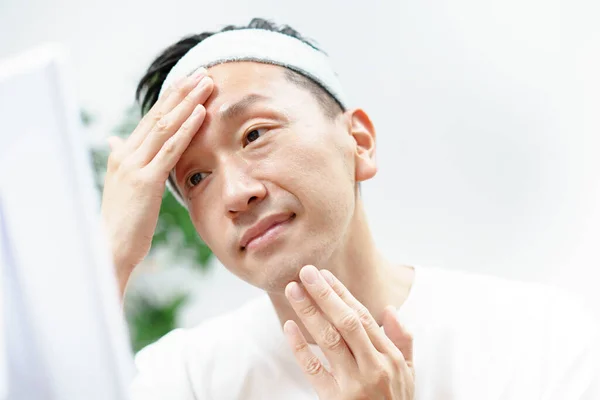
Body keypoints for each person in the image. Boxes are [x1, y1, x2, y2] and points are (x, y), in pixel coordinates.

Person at [101, 18, 600, 399]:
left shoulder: (538, 337)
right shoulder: (182, 379)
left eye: (254, 134)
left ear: (358, 141)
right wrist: (110, 257)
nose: (235, 194)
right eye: (196, 177)